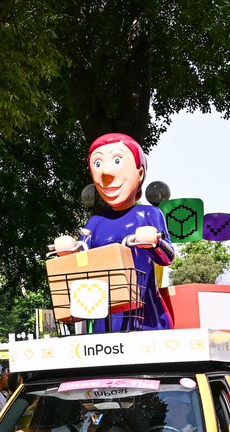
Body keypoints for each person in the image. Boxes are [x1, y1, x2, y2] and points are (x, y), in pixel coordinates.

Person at [50, 133, 175, 332]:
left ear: (140, 173)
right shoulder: (95, 223)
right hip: (105, 314)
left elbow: (168, 257)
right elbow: (82, 261)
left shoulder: (149, 213)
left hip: (147, 313)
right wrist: (69, 250)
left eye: (117, 160)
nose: (106, 172)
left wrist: (155, 242)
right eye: (97, 164)